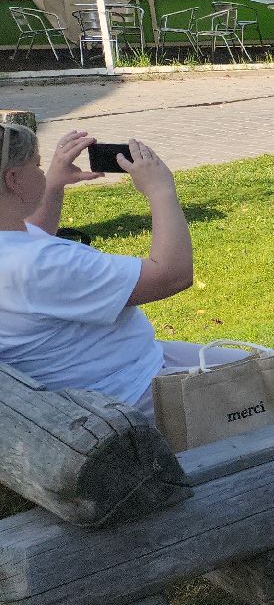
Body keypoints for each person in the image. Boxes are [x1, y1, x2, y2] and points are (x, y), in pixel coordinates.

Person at [0, 125, 247, 421]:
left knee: (266, 366)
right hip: (129, 395)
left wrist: (52, 185)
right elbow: (172, 274)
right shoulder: (40, 265)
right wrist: (161, 189)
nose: (43, 173)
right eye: (37, 166)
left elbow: (34, 233)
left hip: (123, 368)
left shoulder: (14, 245)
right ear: (13, 179)